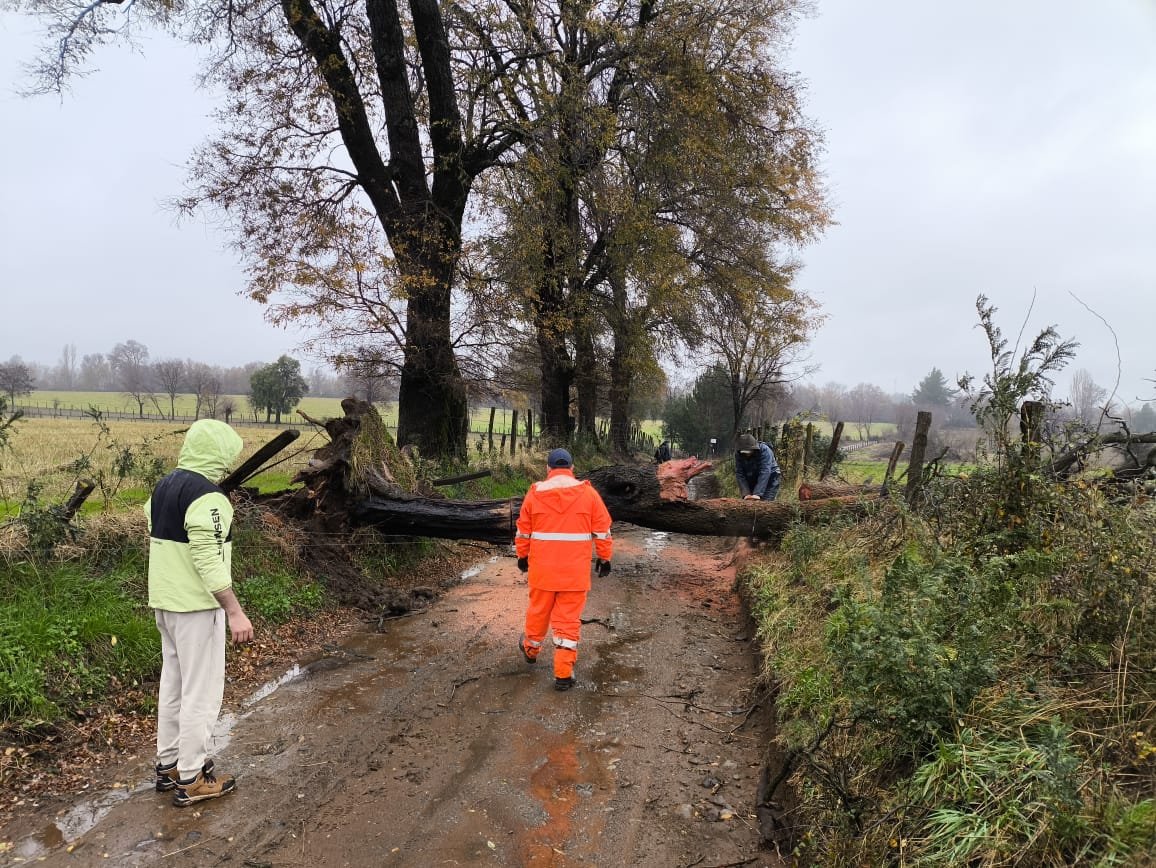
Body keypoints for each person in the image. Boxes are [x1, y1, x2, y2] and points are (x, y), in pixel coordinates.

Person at [145, 419, 254, 806]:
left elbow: (154, 528)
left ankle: (169, 765)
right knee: (202, 693)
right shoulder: (210, 498)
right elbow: (207, 558)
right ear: (219, 453)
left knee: (173, 685)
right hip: (195, 607)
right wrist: (235, 611)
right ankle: (191, 778)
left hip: (165, 602)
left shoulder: (164, 485)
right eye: (228, 455)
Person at [515, 448, 613, 691]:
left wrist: (522, 556)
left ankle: (530, 649)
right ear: (572, 468)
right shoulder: (589, 494)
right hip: (575, 574)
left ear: (548, 469)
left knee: (538, 611)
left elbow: (523, 530)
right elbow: (602, 529)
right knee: (568, 621)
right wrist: (604, 558)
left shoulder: (535, 494)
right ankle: (563, 674)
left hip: (543, 570)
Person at [734, 432, 781, 502]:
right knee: (749, 503)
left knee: (765, 504)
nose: (747, 454)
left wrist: (757, 493)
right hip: (752, 479)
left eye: (749, 451)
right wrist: (746, 493)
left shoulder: (765, 450)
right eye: (744, 452)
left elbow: (765, 471)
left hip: (770, 480)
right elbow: (740, 474)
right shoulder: (738, 454)